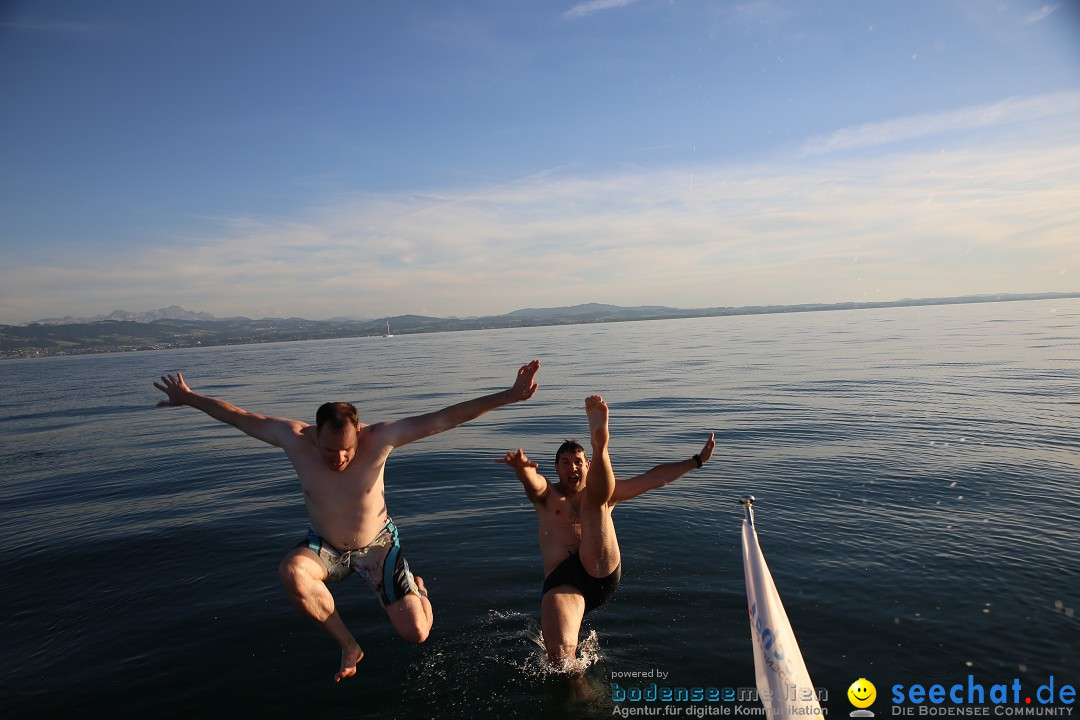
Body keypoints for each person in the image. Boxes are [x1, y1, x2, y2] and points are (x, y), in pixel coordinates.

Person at [154, 360, 540, 682]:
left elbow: (444, 419)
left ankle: (418, 590)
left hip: (378, 547)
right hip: (327, 548)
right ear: (314, 433)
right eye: (328, 450)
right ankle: (349, 646)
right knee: (291, 572)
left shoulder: (381, 438)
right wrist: (189, 398)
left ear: (360, 433)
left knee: (418, 633)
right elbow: (239, 417)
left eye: (346, 450)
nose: (338, 459)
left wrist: (510, 394)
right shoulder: (293, 438)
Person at [499, 395, 714, 668]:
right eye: (565, 462)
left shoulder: (602, 493)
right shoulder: (548, 497)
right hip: (563, 582)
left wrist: (697, 461)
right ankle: (580, 697)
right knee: (560, 662)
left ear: (587, 467)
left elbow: (654, 479)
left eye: (577, 461)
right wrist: (523, 471)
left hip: (600, 569)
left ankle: (600, 445)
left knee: (596, 500)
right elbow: (535, 485)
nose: (572, 467)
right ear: (556, 468)